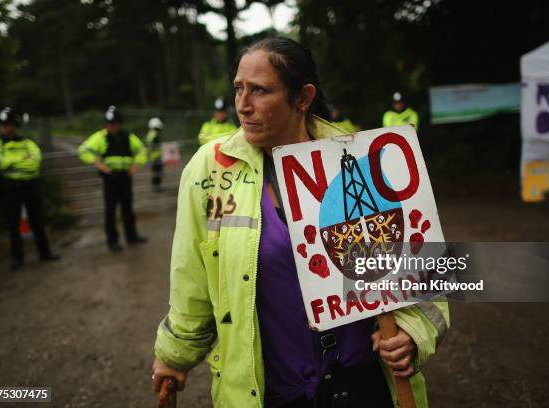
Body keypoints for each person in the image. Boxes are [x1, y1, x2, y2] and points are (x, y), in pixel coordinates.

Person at [152, 37, 448, 407]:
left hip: (364, 386)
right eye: (238, 89)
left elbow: (420, 272)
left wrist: (413, 332)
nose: (243, 105)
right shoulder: (209, 170)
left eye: (260, 91)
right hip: (272, 393)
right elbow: (191, 278)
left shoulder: (359, 160)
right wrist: (175, 354)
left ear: (303, 97)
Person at [0, 107, 60, 270]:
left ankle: (45, 253)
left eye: (9, 124)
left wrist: (12, 162)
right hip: (9, 190)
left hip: (29, 187)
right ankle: (17, 258)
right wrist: (22, 160)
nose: (6, 128)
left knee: (37, 221)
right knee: (12, 224)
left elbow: (35, 164)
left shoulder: (29, 144)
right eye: (4, 125)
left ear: (15, 126)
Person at [78, 106, 148, 252]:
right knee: (110, 211)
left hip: (125, 177)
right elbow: (83, 150)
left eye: (114, 123)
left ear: (120, 123)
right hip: (110, 179)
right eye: (109, 123)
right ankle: (112, 241)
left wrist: (136, 165)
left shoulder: (128, 136)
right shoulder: (100, 137)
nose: (112, 126)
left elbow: (142, 150)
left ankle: (132, 236)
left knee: (128, 209)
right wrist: (99, 165)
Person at [147, 117, 164, 192]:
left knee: (155, 172)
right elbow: (155, 147)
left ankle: (155, 186)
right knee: (157, 173)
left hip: (152, 157)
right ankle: (156, 187)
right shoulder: (155, 135)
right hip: (156, 157)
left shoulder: (150, 134)